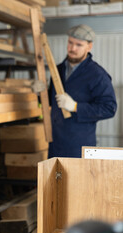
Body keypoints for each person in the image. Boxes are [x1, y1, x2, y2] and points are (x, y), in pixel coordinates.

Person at [48, 24, 117, 158]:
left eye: (78, 45)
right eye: (70, 43)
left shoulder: (97, 75)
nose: (72, 48)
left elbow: (109, 108)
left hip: (79, 146)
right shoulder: (57, 70)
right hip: (55, 143)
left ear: (89, 47)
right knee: (55, 179)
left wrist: (76, 107)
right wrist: (39, 92)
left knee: (76, 179)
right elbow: (50, 100)